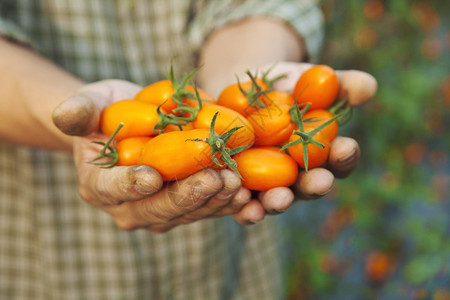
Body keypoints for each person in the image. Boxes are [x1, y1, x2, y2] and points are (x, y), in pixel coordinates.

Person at [0, 1, 377, 299]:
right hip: (51, 259)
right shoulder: (184, 126)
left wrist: (243, 72)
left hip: (229, 258)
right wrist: (67, 114)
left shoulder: (216, 126)